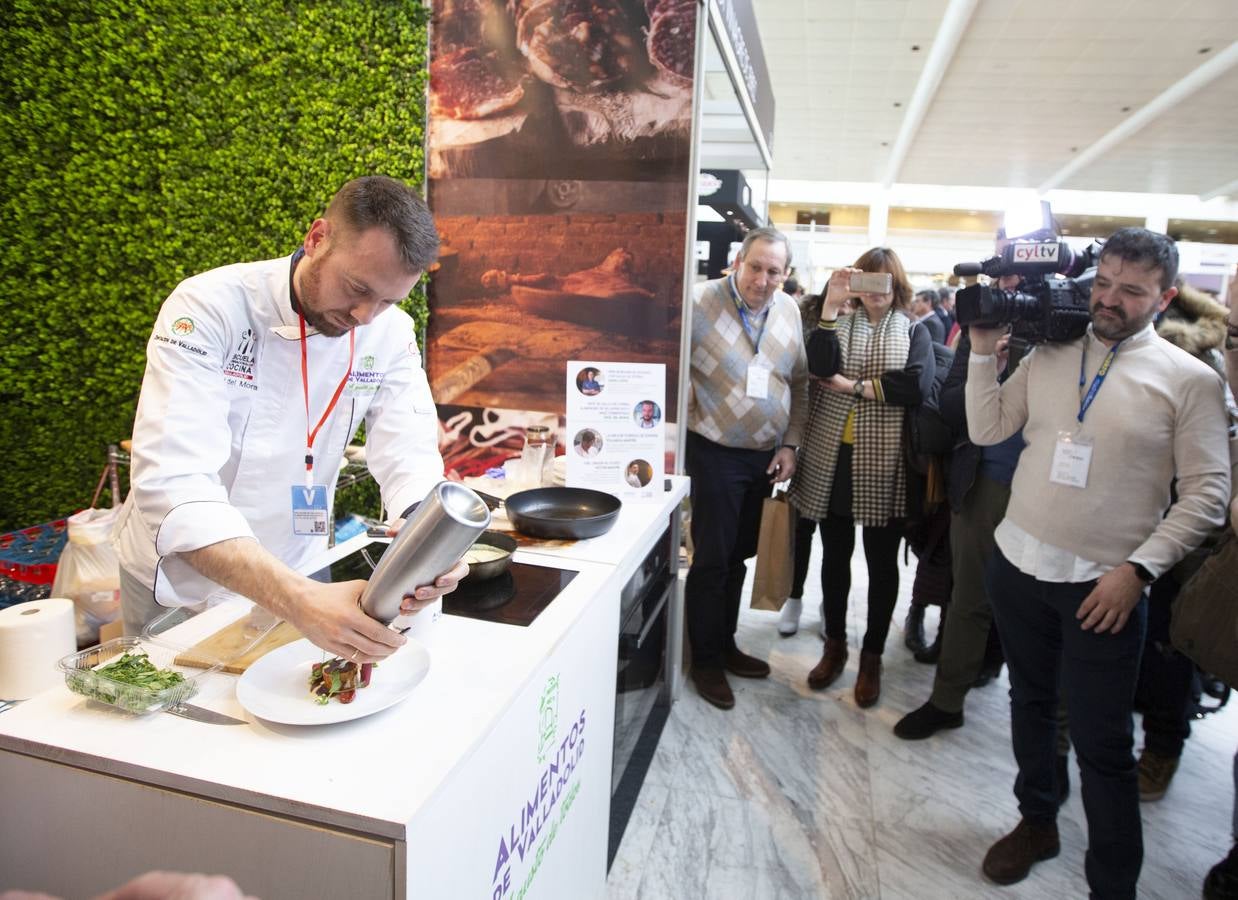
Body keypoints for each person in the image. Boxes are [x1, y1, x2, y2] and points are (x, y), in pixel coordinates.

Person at [966, 228, 1231, 899]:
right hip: (1018, 561)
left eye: (1131, 291)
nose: (1109, 300)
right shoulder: (1054, 351)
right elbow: (989, 428)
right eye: (1104, 283)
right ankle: (1037, 821)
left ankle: (1112, 885)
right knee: (1028, 705)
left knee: (1103, 745)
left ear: (1164, 297)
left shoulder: (1190, 380)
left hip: (1104, 587)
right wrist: (977, 356)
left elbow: (1208, 493)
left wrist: (1138, 572)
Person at [113, 176, 466, 664]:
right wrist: (296, 600)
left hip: (300, 566)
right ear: (316, 238)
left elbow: (408, 452)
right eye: (357, 288)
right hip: (182, 583)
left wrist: (427, 539)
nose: (365, 315)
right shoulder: (209, 307)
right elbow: (173, 483)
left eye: (388, 300)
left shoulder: (388, 332)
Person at [789, 247, 934, 708]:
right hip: (831, 456)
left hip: (884, 460)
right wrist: (831, 306)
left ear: (898, 284)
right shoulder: (837, 321)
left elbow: (915, 385)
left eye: (884, 281)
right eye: (867, 279)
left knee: (881, 561)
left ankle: (871, 656)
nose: (876, 290)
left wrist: (853, 387)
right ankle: (835, 644)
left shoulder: (913, 329)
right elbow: (819, 365)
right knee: (833, 556)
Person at [685, 225, 808, 710]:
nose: (762, 278)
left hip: (766, 456)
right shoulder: (700, 302)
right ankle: (706, 660)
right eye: (755, 266)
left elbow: (798, 382)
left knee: (739, 556)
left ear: (786, 274)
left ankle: (725, 643)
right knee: (712, 559)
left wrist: (791, 444)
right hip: (713, 450)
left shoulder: (790, 310)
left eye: (773, 271)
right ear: (738, 260)